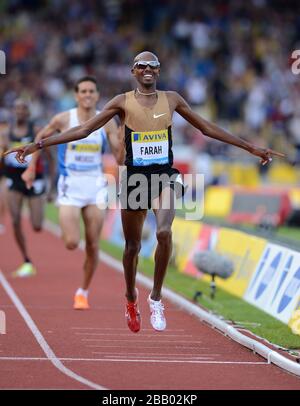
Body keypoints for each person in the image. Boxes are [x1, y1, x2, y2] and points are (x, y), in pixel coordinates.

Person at [5, 51, 285, 332]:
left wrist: (250, 147)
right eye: (142, 66)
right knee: (132, 248)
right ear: (133, 71)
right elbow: (84, 129)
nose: (148, 69)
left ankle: (156, 297)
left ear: (159, 72)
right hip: (135, 179)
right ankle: (130, 297)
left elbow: (207, 128)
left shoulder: (172, 99)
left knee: (164, 232)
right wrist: (37, 145)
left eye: (153, 66)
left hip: (164, 176)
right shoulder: (122, 102)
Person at [21, 76, 123, 310]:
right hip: (70, 186)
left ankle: (83, 292)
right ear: (76, 95)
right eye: (83, 91)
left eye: (91, 91)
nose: (87, 95)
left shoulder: (106, 121)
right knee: (71, 242)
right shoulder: (64, 118)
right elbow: (40, 139)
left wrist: (124, 142)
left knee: (93, 245)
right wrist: (30, 167)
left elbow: (118, 155)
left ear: (97, 96)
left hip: (96, 186)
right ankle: (81, 284)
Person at [0, 99, 55, 276]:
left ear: (28, 112)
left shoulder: (36, 131)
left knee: (37, 225)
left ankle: (27, 257)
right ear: (13, 112)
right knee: (15, 220)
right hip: (13, 178)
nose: (20, 111)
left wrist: (51, 184)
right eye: (16, 108)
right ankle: (26, 260)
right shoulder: (6, 134)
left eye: (23, 108)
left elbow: (50, 157)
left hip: (34, 178)